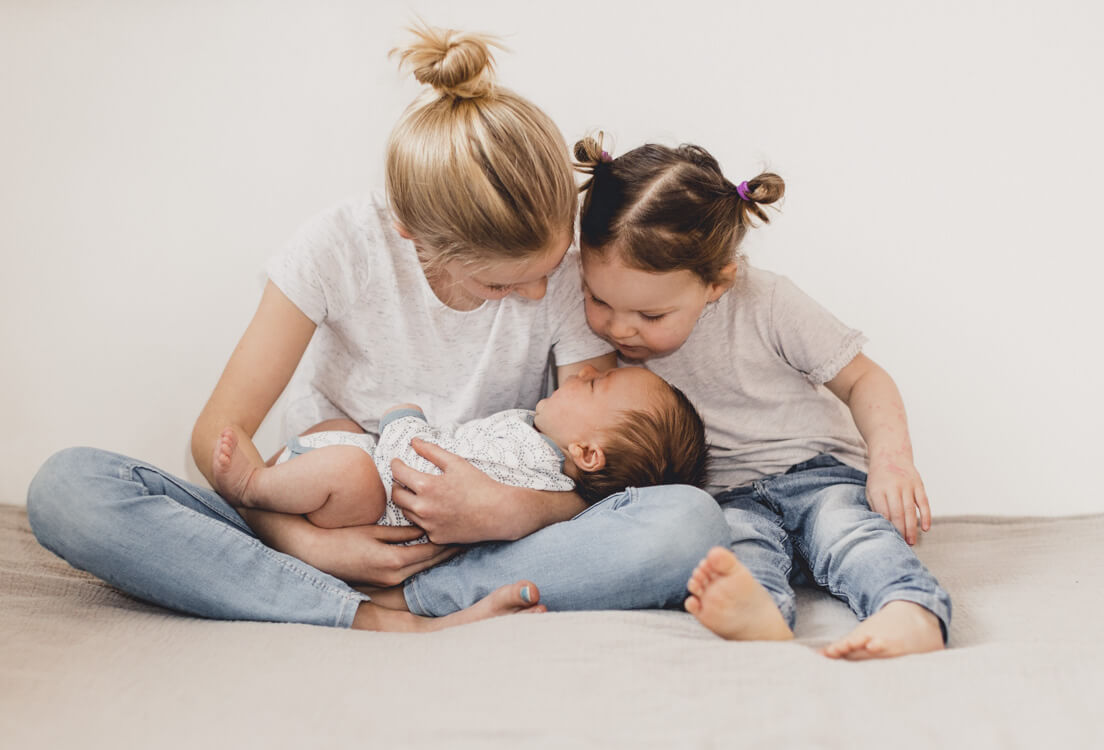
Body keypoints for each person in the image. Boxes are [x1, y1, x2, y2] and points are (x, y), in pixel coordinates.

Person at [25, 27, 730, 632]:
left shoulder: (561, 272)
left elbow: (590, 466)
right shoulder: (335, 249)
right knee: (70, 489)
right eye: (501, 283)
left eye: (547, 268)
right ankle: (358, 610)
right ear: (413, 235)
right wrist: (305, 544)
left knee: (686, 522)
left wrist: (514, 511)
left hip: (474, 545)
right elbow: (219, 440)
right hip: (315, 515)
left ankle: (411, 595)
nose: (541, 292)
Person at [572, 137, 952, 659]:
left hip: (816, 474)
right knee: (732, 553)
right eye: (598, 299)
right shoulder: (600, 323)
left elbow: (865, 381)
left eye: (651, 316)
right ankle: (764, 614)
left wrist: (892, 462)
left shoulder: (768, 302)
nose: (618, 328)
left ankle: (909, 609)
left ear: (717, 282)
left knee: (850, 533)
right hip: (721, 495)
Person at [212, 365, 709, 525]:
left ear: (587, 454)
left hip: (382, 504)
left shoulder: (532, 466)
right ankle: (275, 488)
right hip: (378, 469)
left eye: (595, 386)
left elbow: (427, 469)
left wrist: (403, 421)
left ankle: (254, 488)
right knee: (335, 428)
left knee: (346, 468)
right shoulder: (534, 439)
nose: (581, 375)